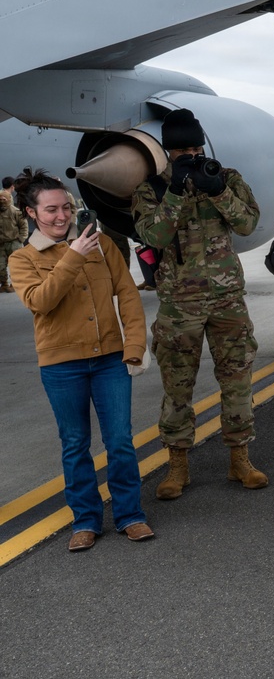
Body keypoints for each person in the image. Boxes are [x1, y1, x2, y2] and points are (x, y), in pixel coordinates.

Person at [9, 169, 153, 551]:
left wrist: (134, 345)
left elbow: (128, 295)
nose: (61, 216)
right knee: (75, 444)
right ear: (30, 213)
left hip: (108, 359)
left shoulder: (103, 246)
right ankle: (86, 520)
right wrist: (72, 257)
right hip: (61, 366)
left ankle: (130, 515)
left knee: (120, 440)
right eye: (51, 209)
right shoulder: (21, 259)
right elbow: (41, 301)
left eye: (67, 208)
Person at [132, 108, 267, 499]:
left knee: (238, 380)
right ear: (167, 152)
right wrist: (175, 190)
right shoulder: (150, 190)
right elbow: (154, 235)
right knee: (177, 388)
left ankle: (240, 459)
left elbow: (247, 224)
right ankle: (177, 467)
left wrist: (217, 191)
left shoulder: (225, 178)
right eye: (181, 151)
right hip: (179, 304)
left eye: (195, 147)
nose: (190, 155)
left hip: (227, 301)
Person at [0, 188, 29, 292]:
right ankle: (4, 284)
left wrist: (21, 239)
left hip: (14, 242)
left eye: (4, 199)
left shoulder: (15, 212)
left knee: (16, 265)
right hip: (1, 244)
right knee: (1, 266)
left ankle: (15, 284)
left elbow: (24, 226)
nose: (2, 201)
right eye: (0, 199)